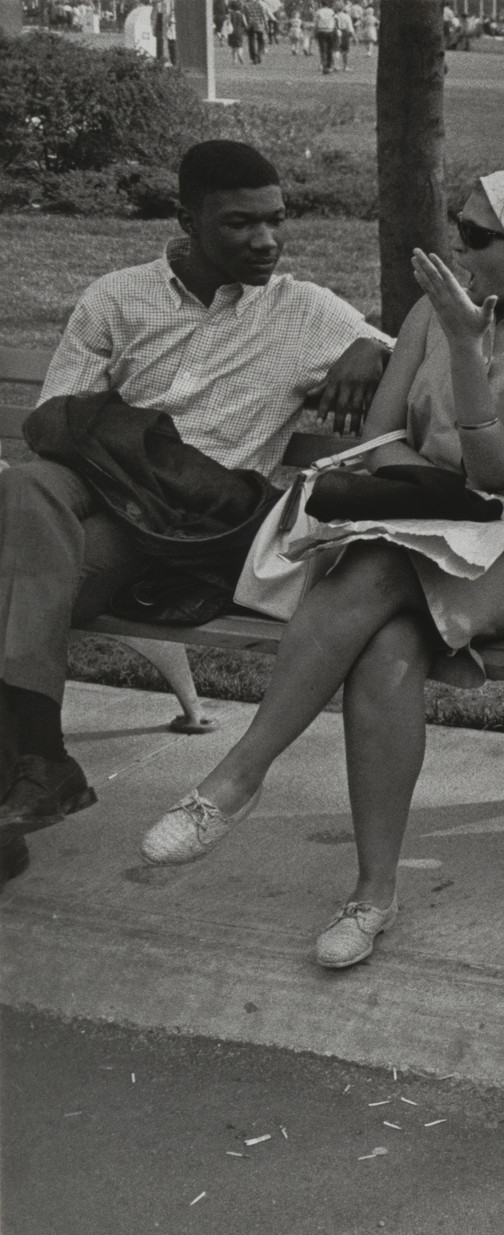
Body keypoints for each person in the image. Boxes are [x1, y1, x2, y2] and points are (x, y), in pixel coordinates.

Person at [138, 166, 504, 972]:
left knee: (379, 570)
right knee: (388, 646)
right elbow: (382, 429)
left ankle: (237, 777)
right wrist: (431, 487)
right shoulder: (433, 318)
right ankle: (372, 895)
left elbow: (501, 472)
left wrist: (468, 349)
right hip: (416, 526)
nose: (455, 248)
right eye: (457, 227)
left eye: (476, 235)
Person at [0, 142, 388, 857]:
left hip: (184, 526)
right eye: (240, 224)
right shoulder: (118, 296)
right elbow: (54, 417)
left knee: (18, 578)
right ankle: (39, 762)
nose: (265, 240)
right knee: (22, 484)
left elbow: (419, 365)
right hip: (102, 480)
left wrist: (373, 345)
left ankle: (34, 772)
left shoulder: (306, 311)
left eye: (275, 220)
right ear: (187, 219)